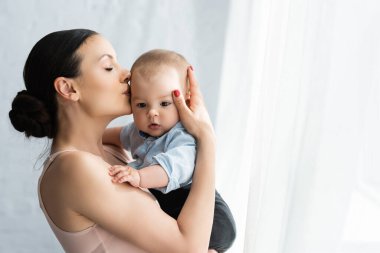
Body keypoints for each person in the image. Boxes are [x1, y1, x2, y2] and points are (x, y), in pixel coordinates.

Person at [9, 29, 218, 253]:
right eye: (109, 67)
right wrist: (205, 138)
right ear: (68, 88)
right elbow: (190, 249)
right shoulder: (74, 168)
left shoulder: (111, 150)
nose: (127, 74)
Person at [103, 49, 236, 252]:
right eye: (141, 104)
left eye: (165, 103)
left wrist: (138, 176)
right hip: (170, 210)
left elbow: (169, 170)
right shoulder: (138, 131)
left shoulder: (183, 137)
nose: (152, 113)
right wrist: (95, 135)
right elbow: (116, 135)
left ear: (185, 100)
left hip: (206, 213)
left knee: (210, 240)